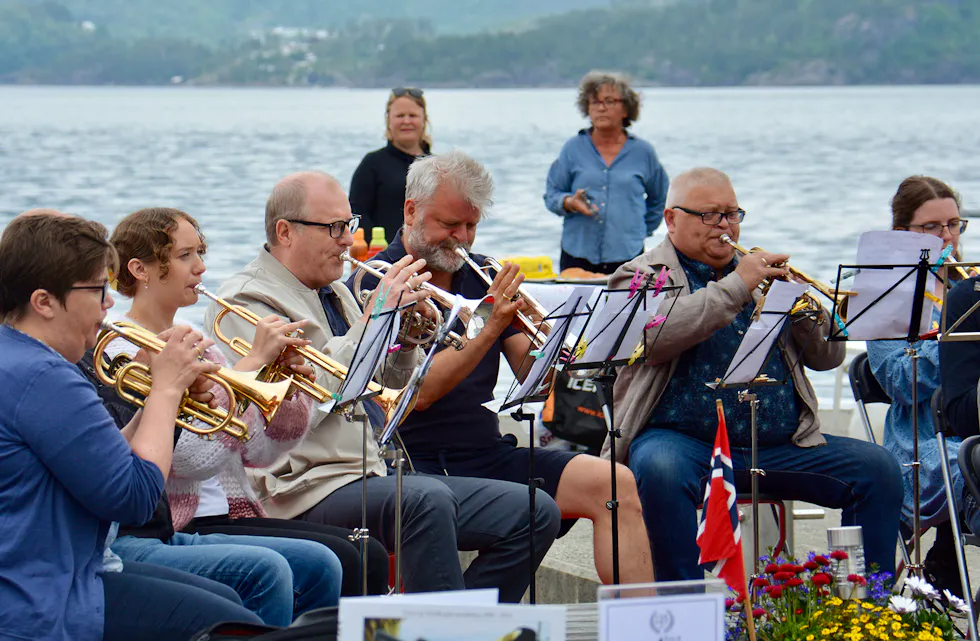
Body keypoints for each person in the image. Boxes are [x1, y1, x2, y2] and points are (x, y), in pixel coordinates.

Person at [204, 170, 561, 603]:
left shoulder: (334, 288)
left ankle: (455, 625)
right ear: (285, 232)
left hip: (372, 470)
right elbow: (312, 399)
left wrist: (404, 338)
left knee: (535, 511)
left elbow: (385, 389)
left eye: (349, 225)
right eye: (335, 228)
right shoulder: (247, 300)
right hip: (303, 486)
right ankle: (446, 630)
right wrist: (376, 320)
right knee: (426, 501)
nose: (347, 241)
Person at [353, 150, 654, 584]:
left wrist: (561, 352)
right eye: (449, 225)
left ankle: (642, 629)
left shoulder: (481, 277)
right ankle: (473, 622)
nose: (462, 239)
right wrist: (490, 324)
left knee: (615, 483)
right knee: (533, 512)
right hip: (410, 462)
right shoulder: (379, 279)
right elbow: (417, 395)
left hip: (484, 451)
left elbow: (536, 377)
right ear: (411, 210)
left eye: (471, 226)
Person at [611, 167, 903, 581]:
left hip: (776, 442)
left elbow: (827, 359)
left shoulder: (756, 273)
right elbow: (654, 339)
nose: (725, 225)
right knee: (658, 470)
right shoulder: (640, 274)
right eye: (711, 215)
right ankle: (683, 610)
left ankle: (870, 605)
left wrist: (802, 310)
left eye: (732, 214)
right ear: (671, 219)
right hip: (681, 441)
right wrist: (737, 286)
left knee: (877, 469)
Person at [0, 213, 261, 641]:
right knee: (235, 625)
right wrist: (165, 390)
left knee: (226, 604)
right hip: (43, 605)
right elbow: (135, 498)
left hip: (39, 582)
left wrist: (168, 400)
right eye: (97, 289)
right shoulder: (47, 378)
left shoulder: (17, 359)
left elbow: (101, 465)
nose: (108, 303)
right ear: (44, 302)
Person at [101, 207, 346, 623]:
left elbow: (262, 455)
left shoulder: (203, 348)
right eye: (184, 256)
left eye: (201, 253)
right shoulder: (121, 353)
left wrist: (281, 388)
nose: (200, 267)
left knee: (335, 559)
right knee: (329, 560)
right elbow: (190, 461)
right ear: (140, 269)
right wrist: (248, 368)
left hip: (234, 510)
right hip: (187, 521)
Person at [870, 175, 970, 595]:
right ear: (902, 234)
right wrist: (955, 337)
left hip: (969, 423)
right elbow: (900, 383)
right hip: (919, 439)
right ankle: (946, 567)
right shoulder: (886, 295)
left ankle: (947, 564)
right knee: (969, 463)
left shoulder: (970, 287)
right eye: (932, 227)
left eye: (954, 224)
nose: (946, 236)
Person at [544, 70, 669, 276]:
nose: (601, 108)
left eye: (609, 101)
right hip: (577, 253)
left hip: (628, 255)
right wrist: (569, 202)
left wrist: (638, 232)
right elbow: (551, 194)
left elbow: (659, 198)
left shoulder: (643, 152)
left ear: (626, 109)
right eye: (595, 102)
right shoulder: (572, 149)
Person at [350, 87, 432, 242]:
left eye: (412, 115)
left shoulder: (437, 167)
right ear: (388, 120)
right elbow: (358, 216)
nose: (406, 121)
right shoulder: (372, 164)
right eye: (400, 116)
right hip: (382, 258)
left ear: (424, 120)